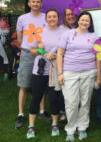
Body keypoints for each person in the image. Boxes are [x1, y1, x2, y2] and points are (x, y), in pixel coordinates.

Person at [57, 11, 101, 141]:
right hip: (70, 72)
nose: (84, 22)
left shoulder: (94, 36)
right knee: (71, 102)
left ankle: (82, 127)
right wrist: (60, 73)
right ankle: (70, 129)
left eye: (87, 20)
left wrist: (98, 76)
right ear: (78, 20)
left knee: (85, 101)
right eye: (82, 19)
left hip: (89, 72)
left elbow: (98, 58)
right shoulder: (67, 34)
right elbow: (59, 54)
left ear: (90, 23)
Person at [26, 9, 65, 139]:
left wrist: (56, 55)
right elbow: (32, 50)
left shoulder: (63, 32)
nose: (52, 19)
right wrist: (39, 50)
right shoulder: (39, 32)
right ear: (46, 19)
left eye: (54, 16)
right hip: (39, 71)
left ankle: (54, 124)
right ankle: (31, 126)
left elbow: (66, 50)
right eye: (49, 17)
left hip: (54, 71)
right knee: (36, 97)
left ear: (58, 18)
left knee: (54, 99)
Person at [15, 0, 48, 129]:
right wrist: (28, 49)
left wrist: (40, 50)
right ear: (29, 4)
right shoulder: (22, 18)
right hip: (28, 54)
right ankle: (21, 114)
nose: (35, 4)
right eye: (33, 2)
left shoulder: (46, 17)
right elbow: (19, 38)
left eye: (38, 2)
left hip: (42, 54)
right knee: (24, 84)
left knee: (41, 84)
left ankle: (41, 111)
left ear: (41, 3)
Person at [57, 7, 76, 123]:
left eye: (72, 14)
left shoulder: (80, 28)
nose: (70, 16)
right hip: (62, 62)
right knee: (63, 89)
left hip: (73, 64)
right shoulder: (60, 29)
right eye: (68, 14)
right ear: (64, 17)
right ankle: (63, 112)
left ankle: (74, 112)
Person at [0, 12, 10, 81]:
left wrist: (0, 32)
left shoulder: (3, 21)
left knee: (4, 57)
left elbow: (7, 31)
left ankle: (6, 75)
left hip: (1, 42)